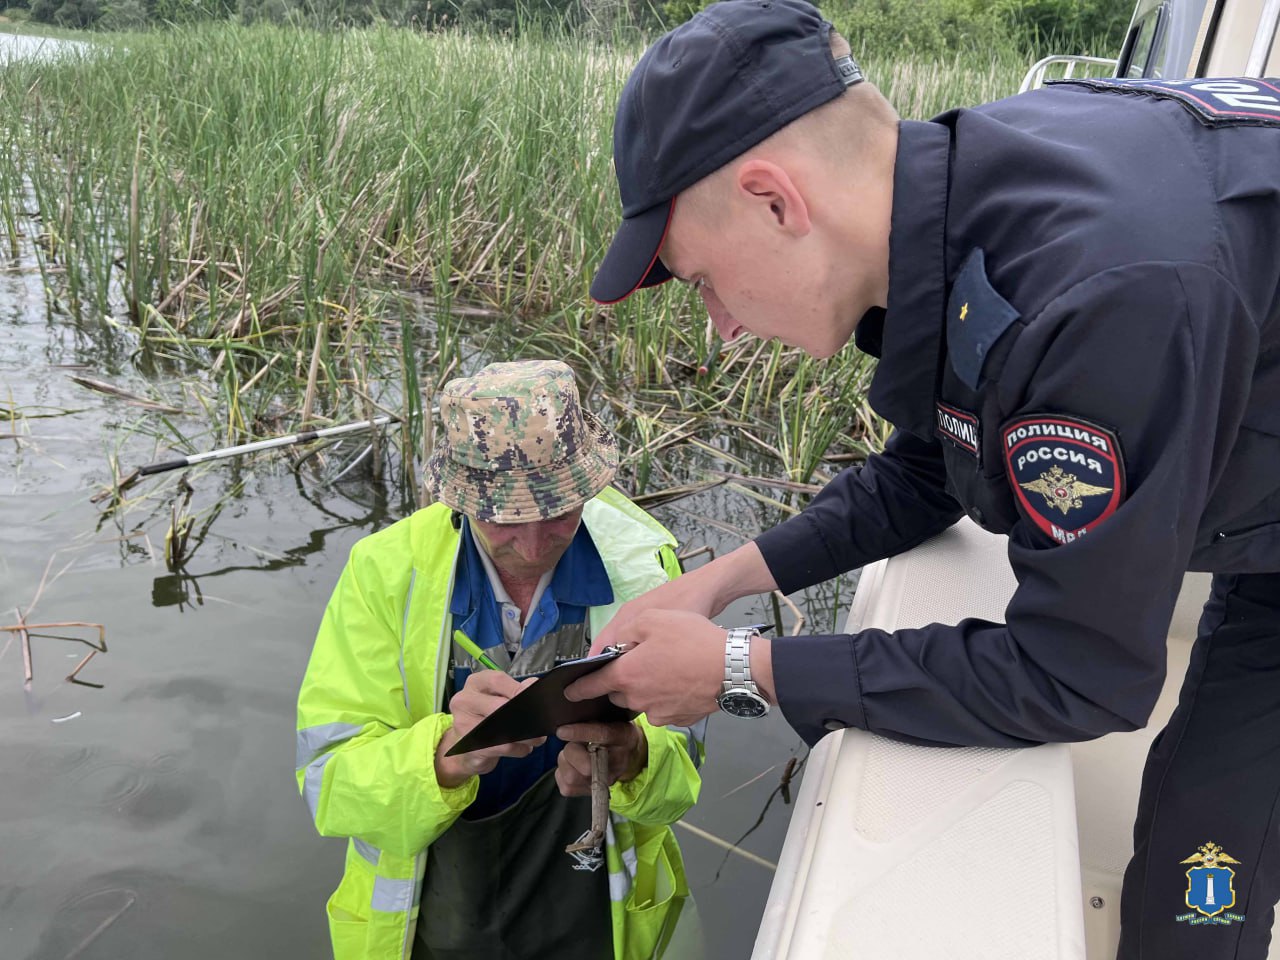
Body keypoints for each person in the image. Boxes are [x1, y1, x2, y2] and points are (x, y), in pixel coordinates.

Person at [567, 2, 1280, 958]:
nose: (720, 327)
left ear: (777, 200)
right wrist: (717, 582)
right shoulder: (974, 198)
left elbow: (1078, 674)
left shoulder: (1097, 292)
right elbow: (931, 468)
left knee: (1205, 871)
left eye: (700, 281)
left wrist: (741, 669)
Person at [295, 359, 703, 960]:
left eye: (559, 510)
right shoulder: (384, 572)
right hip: (432, 916)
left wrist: (634, 760)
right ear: (459, 499)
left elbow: (685, 770)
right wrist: (446, 755)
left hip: (596, 915)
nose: (534, 545)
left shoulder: (645, 564)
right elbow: (328, 785)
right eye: (505, 517)